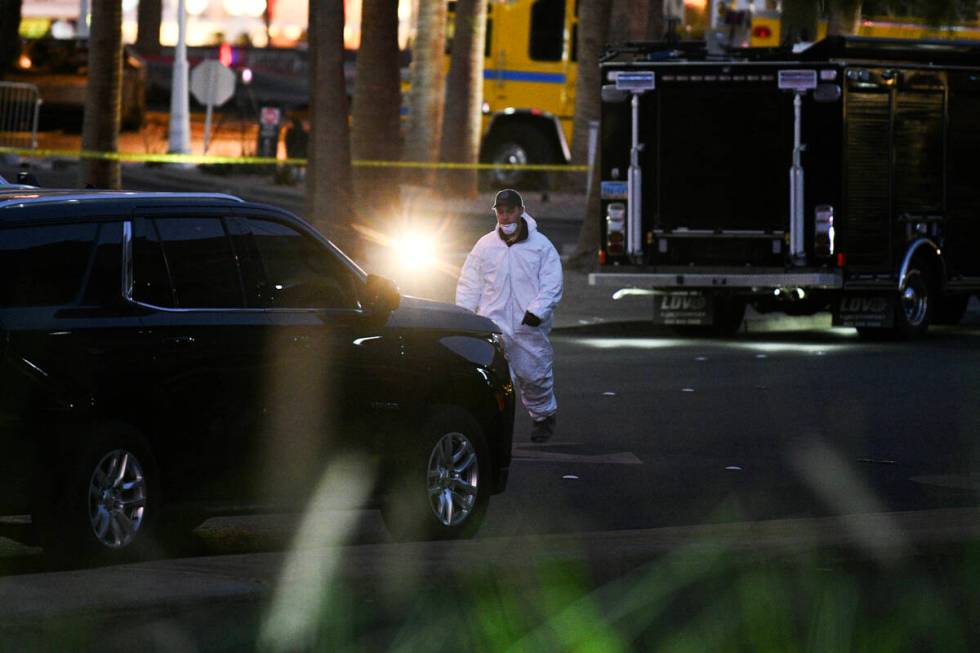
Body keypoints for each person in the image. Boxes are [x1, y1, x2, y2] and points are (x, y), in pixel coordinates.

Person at [456, 189, 563, 442]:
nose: (505, 217)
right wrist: (464, 315)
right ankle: (492, 428)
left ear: (521, 211)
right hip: (494, 324)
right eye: (500, 212)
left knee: (535, 375)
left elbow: (552, 283)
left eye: (510, 211)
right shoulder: (485, 246)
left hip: (529, 327)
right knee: (492, 380)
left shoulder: (540, 247)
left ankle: (543, 416)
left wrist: (537, 311)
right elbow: (470, 283)